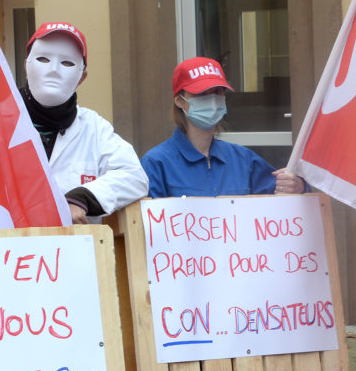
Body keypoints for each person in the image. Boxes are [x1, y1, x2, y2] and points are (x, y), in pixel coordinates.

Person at [22, 21, 148, 223]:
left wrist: (81, 198)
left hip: (75, 250)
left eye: (67, 63)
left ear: (82, 77)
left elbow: (135, 178)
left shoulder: (94, 129)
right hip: (3, 251)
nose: (54, 70)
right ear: (26, 66)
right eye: (44, 59)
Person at [140, 56, 306, 197]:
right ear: (179, 101)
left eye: (218, 92)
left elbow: (285, 202)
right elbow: (143, 227)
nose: (212, 99)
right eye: (201, 93)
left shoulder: (243, 160)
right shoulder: (156, 163)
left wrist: (298, 187)